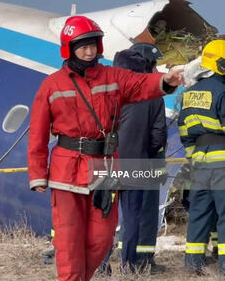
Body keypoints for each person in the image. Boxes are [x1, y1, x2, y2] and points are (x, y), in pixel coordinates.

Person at [28, 15, 183, 281]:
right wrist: (38, 173)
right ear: (69, 48)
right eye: (83, 46)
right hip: (67, 170)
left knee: (101, 238)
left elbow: (140, 84)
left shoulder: (112, 77)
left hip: (104, 168)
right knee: (69, 240)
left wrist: (165, 80)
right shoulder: (52, 85)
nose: (89, 52)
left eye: (93, 45)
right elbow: (38, 133)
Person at [105, 44, 168, 274]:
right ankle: (129, 266)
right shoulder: (152, 93)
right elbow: (158, 134)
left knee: (104, 216)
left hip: (106, 161)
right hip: (137, 162)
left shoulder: (107, 88)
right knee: (132, 216)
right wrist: (146, 151)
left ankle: (101, 266)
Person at [178, 39, 225, 275]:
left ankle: (193, 265)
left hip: (199, 163)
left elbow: (184, 131)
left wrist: (194, 158)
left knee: (199, 214)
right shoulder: (223, 90)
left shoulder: (190, 93)